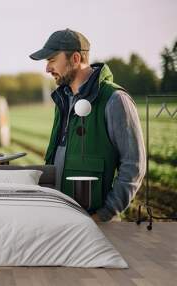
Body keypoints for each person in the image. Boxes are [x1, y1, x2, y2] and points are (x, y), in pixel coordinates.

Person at [29, 28, 146, 222]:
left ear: (75, 58)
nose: (47, 69)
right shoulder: (63, 100)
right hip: (62, 218)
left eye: (51, 60)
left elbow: (134, 166)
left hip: (95, 223)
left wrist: (103, 215)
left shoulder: (115, 100)